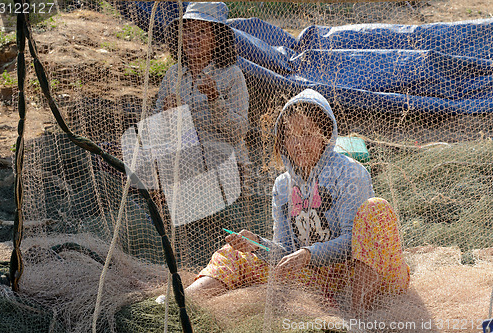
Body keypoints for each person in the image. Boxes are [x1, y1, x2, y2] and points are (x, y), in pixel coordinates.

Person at [184, 89, 410, 314]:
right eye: (290, 136)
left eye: (307, 133)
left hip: (365, 277)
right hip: (319, 280)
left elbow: (353, 243)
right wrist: (258, 244)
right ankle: (181, 303)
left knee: (376, 208)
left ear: (326, 134)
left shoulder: (350, 172)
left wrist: (309, 253)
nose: (299, 143)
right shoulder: (282, 185)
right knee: (234, 253)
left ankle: (357, 319)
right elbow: (285, 252)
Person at [156, 1, 250, 169]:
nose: (193, 38)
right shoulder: (173, 74)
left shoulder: (232, 75)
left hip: (221, 164)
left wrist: (214, 98)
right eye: (188, 30)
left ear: (217, 39)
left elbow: (238, 132)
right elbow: (155, 126)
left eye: (202, 32)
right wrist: (165, 112)